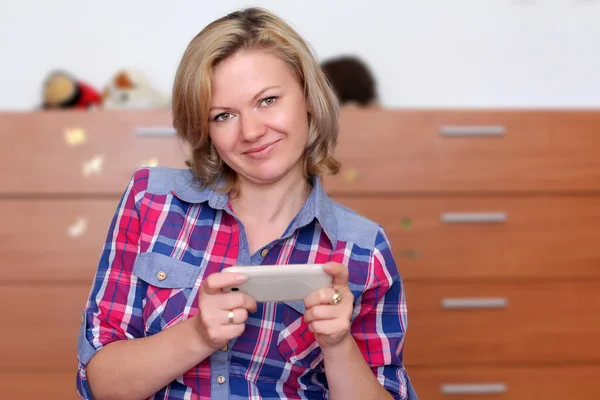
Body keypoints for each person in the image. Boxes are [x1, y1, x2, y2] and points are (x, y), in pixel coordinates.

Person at [76, 7, 417, 400]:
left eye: (268, 100)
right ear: (205, 129)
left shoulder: (363, 248)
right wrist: (198, 334)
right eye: (223, 115)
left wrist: (338, 345)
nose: (252, 132)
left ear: (307, 97)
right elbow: (100, 385)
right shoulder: (150, 201)